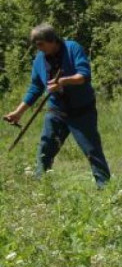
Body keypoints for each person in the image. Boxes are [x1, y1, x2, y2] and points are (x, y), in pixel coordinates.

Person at [3, 24, 111, 188]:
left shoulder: (72, 48)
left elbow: (84, 75)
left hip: (81, 111)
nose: (38, 49)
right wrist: (19, 112)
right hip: (57, 111)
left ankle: (105, 189)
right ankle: (42, 188)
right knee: (45, 150)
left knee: (92, 151)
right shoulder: (39, 59)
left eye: (40, 44)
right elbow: (36, 87)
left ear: (52, 40)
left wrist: (62, 81)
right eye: (36, 45)